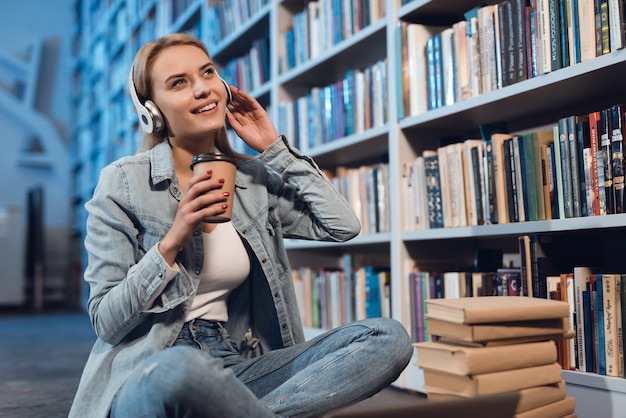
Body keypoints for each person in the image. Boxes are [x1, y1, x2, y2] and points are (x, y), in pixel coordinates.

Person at [69, 33, 413, 418]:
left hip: (231, 366)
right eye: (179, 83)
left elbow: (342, 226)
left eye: (207, 73)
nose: (202, 89)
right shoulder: (123, 182)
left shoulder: (252, 181)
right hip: (150, 368)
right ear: (152, 111)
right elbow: (105, 321)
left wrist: (273, 148)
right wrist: (172, 241)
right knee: (179, 370)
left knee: (388, 338)